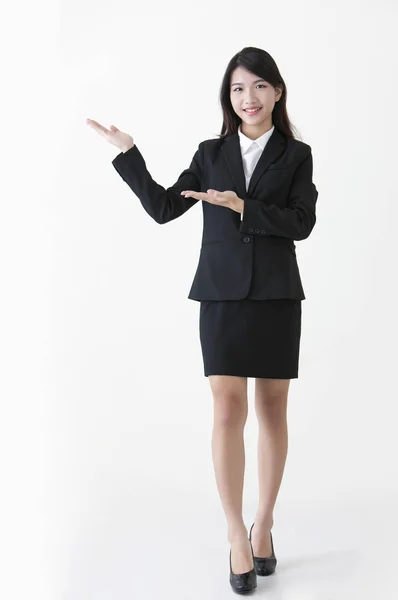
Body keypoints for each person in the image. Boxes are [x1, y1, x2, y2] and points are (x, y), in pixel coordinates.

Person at [86, 45, 318, 594]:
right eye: (238, 88)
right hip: (220, 296)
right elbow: (166, 207)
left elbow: (303, 222)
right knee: (225, 411)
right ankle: (237, 533)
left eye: (259, 86)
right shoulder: (210, 152)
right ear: (228, 97)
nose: (249, 97)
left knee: (272, 410)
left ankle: (265, 526)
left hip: (276, 297)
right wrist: (129, 153)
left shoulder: (297, 154)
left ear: (277, 92)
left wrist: (243, 207)